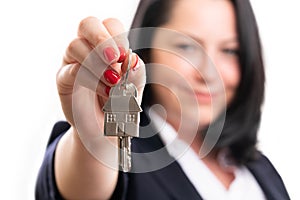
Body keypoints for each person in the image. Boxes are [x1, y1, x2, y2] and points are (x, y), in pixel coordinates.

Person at [35, 0, 290, 199]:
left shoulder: (258, 169)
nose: (209, 72)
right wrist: (93, 142)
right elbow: (83, 187)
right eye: (186, 46)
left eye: (230, 50)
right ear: (148, 51)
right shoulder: (123, 158)